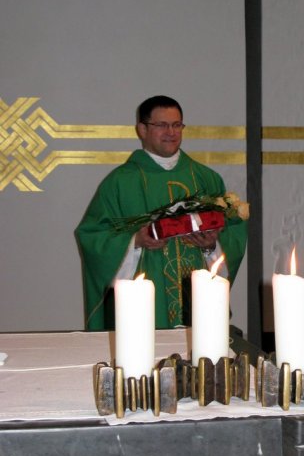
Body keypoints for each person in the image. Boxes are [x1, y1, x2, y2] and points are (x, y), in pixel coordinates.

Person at [76, 95, 248, 330]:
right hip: (144, 303)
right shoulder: (119, 182)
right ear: (142, 129)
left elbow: (233, 233)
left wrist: (211, 245)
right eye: (162, 125)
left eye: (177, 125)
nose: (171, 132)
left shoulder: (206, 178)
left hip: (196, 300)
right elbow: (93, 237)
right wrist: (135, 241)